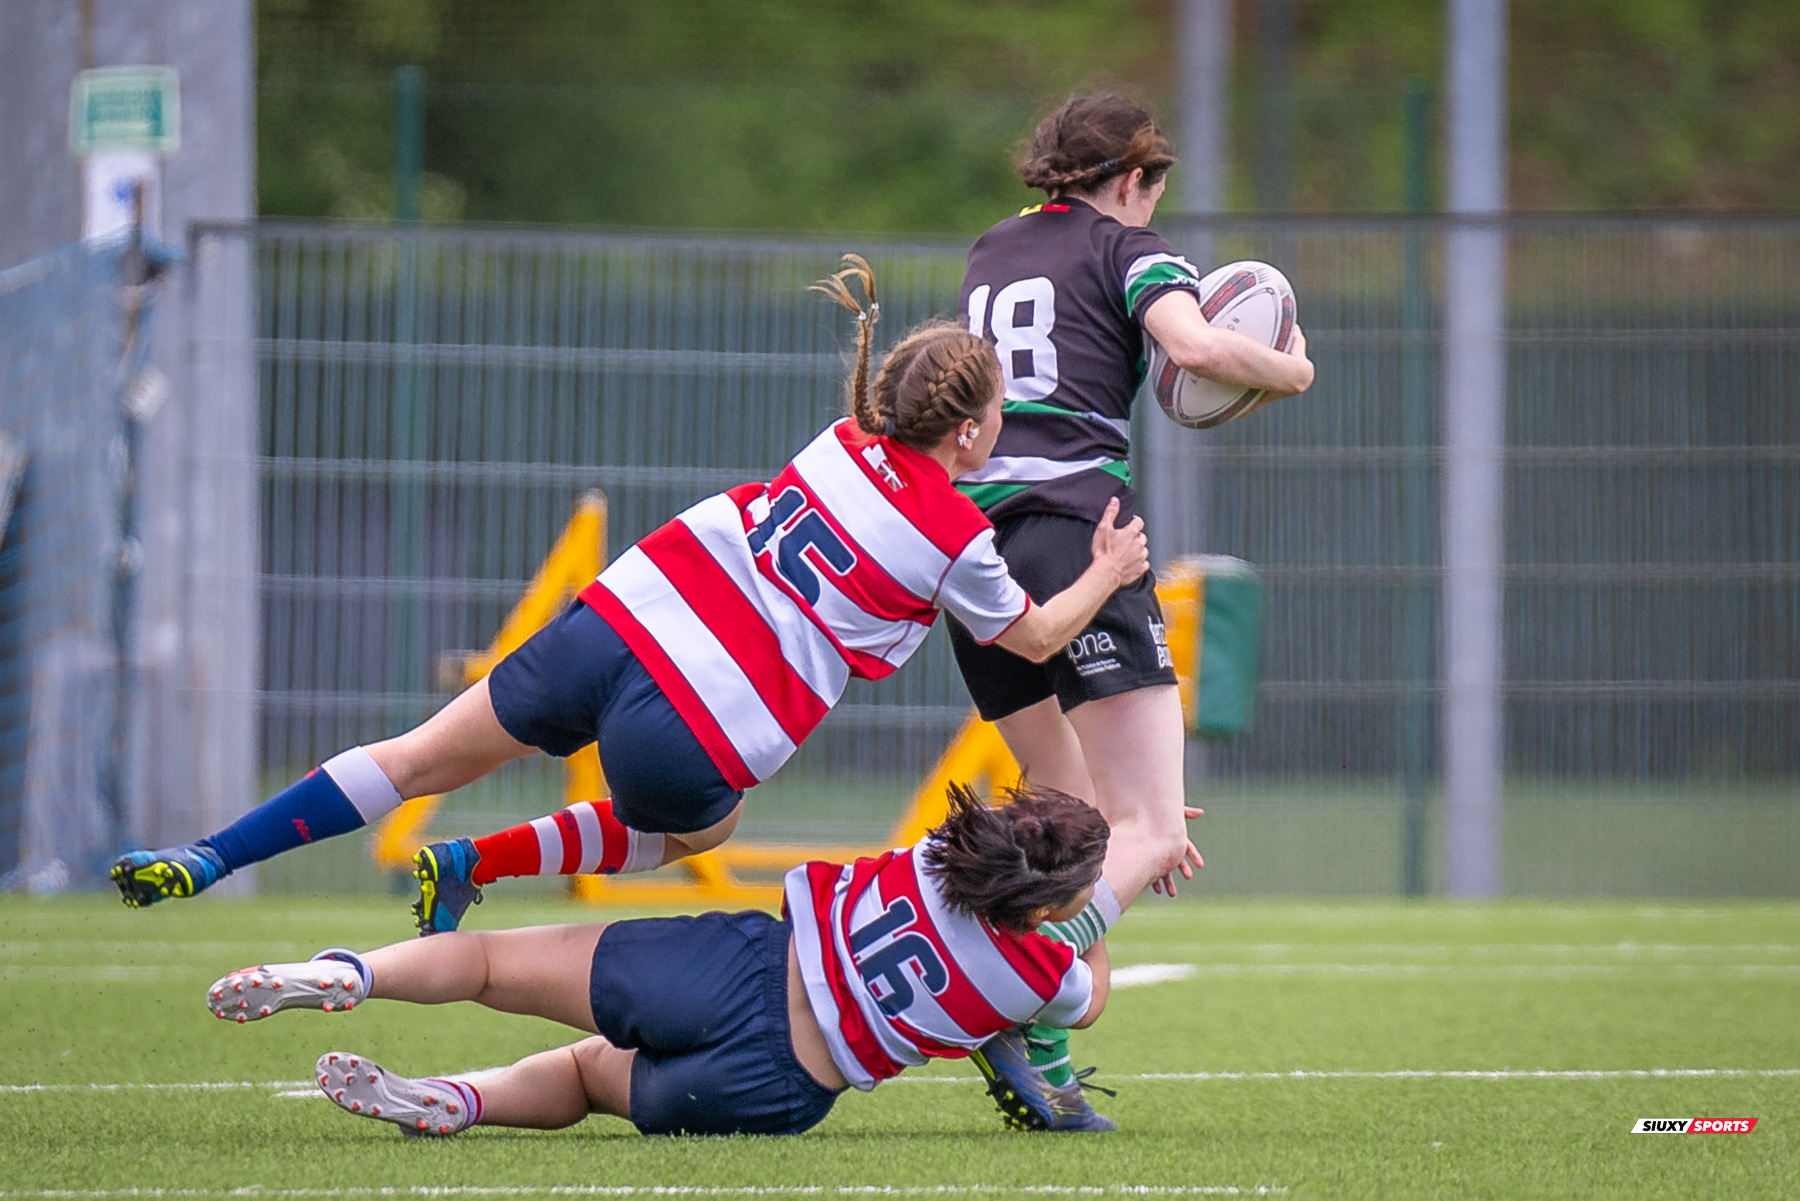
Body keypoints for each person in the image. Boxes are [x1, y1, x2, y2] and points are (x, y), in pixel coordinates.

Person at [112, 257, 1151, 927]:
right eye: (997, 415)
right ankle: (476, 860)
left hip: (619, 620)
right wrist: (1106, 571)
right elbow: (1033, 638)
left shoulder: (840, 437)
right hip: (707, 714)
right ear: (967, 430)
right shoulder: (959, 532)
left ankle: (209, 854)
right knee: (702, 835)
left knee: (415, 756)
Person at [948, 93, 1315, 1129]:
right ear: (1133, 177)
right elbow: (1193, 349)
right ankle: (1007, 985)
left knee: (1071, 822)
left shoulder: (990, 249)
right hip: (1081, 538)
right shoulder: (1127, 249)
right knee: (1146, 829)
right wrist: (1293, 369)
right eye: (1155, 186)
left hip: (973, 553)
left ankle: (1046, 1063)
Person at [202, 785, 1111, 1139]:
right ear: (1049, 908)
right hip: (779, 1085)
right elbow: (1088, 993)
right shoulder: (1038, 978)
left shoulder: (929, 858)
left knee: (483, 959)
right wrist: (1102, 915)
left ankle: (352, 973)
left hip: (732, 968)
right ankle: (458, 1099)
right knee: (580, 1077)